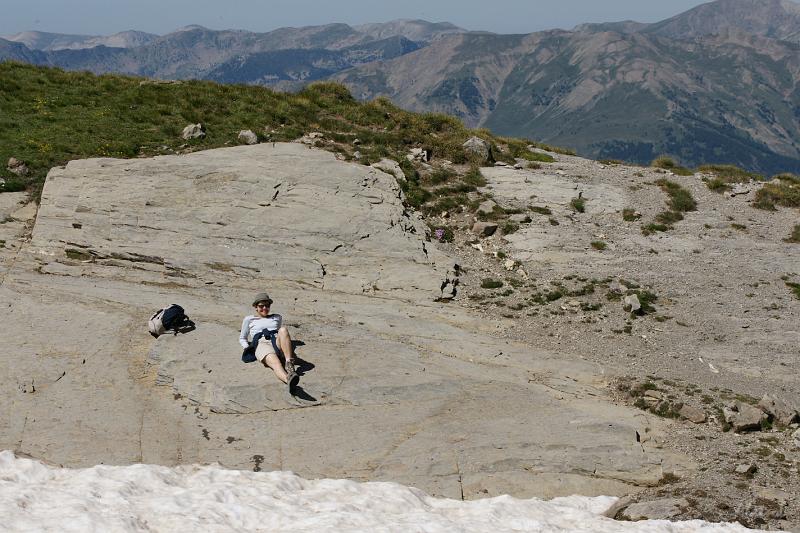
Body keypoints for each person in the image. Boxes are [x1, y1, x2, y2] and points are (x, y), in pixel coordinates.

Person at [239, 293, 298, 387]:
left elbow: (280, 333)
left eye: (267, 305)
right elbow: (242, 338)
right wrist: (248, 348)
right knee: (276, 363)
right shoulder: (249, 319)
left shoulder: (277, 317)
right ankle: (289, 379)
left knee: (283, 330)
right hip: (261, 343)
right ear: (256, 307)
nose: (265, 308)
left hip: (275, 340)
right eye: (261, 306)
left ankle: (289, 363)